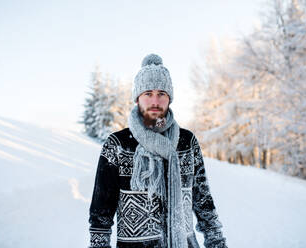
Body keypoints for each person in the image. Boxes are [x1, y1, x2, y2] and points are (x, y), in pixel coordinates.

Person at [89, 54, 228, 248]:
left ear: (169, 98)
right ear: (137, 98)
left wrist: (216, 241)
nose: (155, 100)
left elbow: (203, 200)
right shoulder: (118, 144)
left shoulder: (186, 142)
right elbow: (101, 210)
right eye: (148, 93)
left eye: (161, 93)